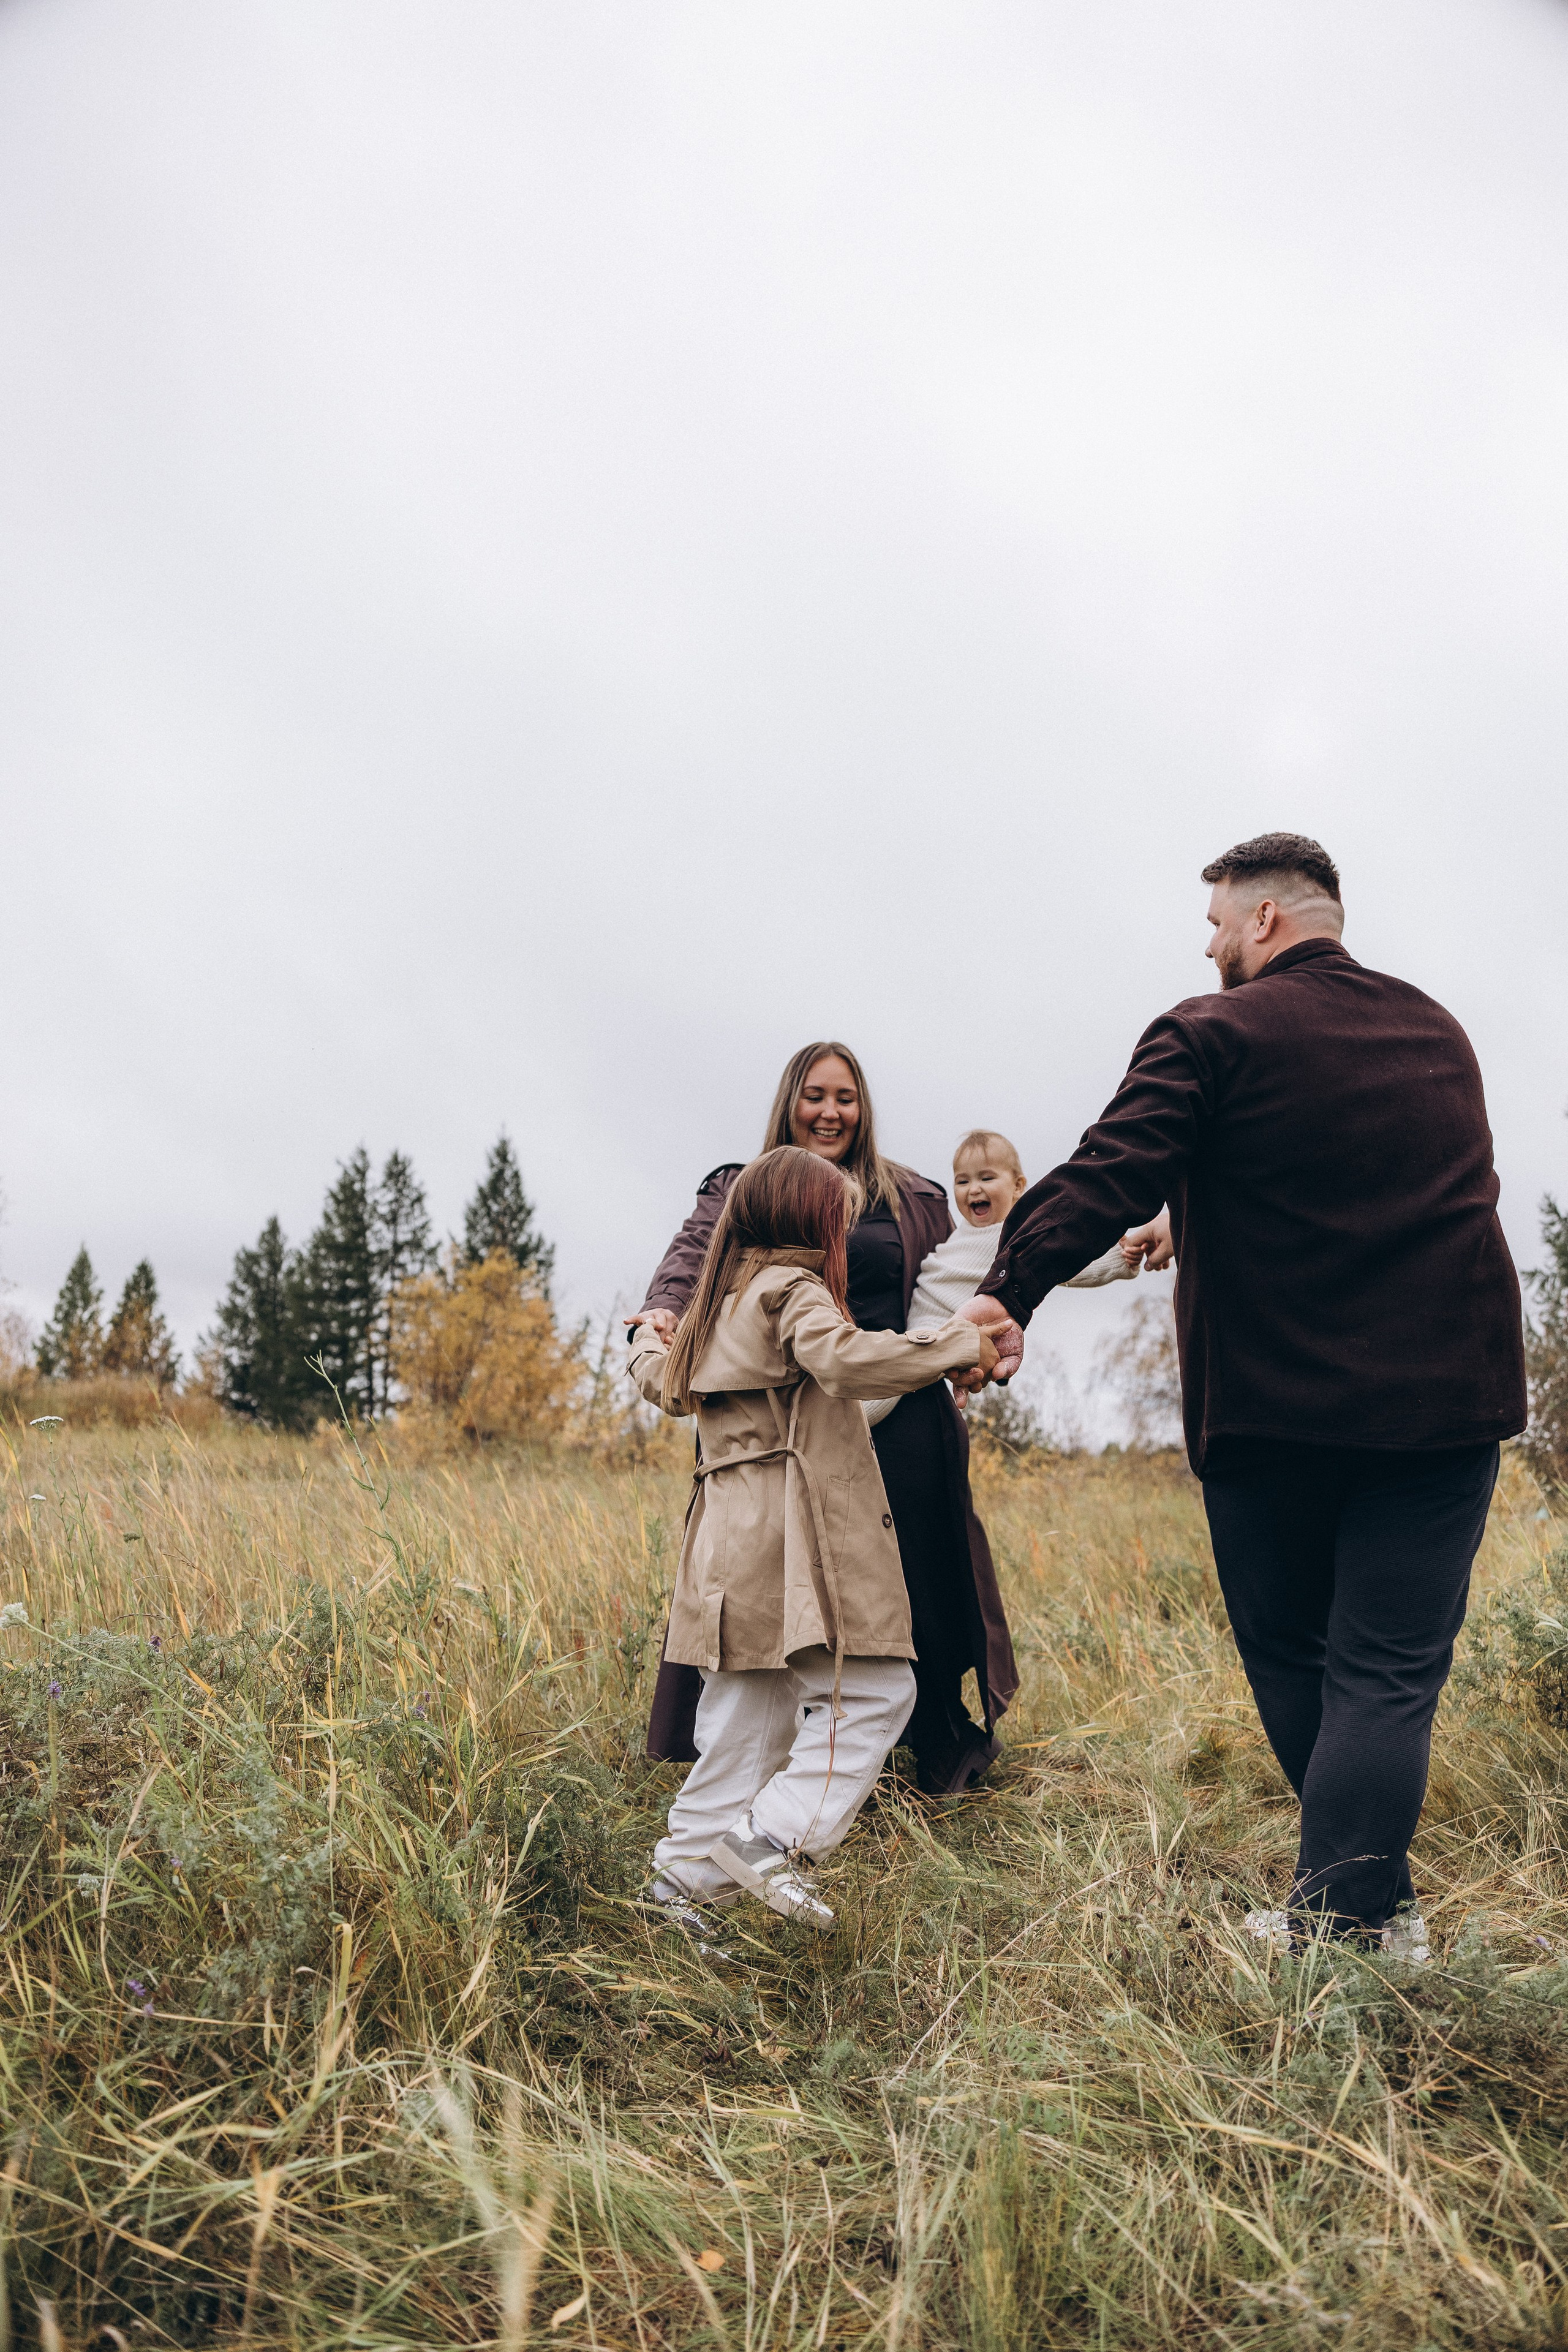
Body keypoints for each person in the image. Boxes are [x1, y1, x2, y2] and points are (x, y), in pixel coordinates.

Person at [959, 832, 1526, 1950]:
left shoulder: (1210, 1031)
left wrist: (1007, 1290)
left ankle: (1347, 1925)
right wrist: (1205, 1208)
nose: (1209, 943)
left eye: (1217, 922)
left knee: (1300, 1656)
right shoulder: (1436, 1030)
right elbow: (1360, 1175)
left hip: (1280, 1412)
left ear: (1265, 920)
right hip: (1444, 1404)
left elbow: (1109, 1169)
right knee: (1390, 1674)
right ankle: (1367, 1906)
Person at [630, 1042, 1019, 1796]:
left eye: (845, 1097)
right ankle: (769, 1763)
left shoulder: (911, 1195)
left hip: (896, 1404)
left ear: (862, 1107)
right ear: (789, 1101)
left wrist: (982, 1339)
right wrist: (663, 1311)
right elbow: (691, 1258)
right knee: (773, 1582)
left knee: (912, 1582)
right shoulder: (746, 1189)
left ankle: (932, 1746)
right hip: (783, 1412)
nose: (831, 1111)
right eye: (815, 1095)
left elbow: (969, 1270)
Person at [628, 1146, 994, 1938]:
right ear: (810, 1219)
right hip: (795, 1531)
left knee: (743, 1726)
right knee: (877, 1693)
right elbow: (846, 1357)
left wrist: (643, 1339)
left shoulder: (717, 1303)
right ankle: (774, 1838)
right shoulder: (791, 1290)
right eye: (840, 1216)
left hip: (725, 1538)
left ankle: (678, 1891)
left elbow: (661, 1383)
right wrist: (959, 1345)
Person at [865, 1128, 1136, 1427]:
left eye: (987, 1178)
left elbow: (1066, 1261)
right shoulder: (961, 1233)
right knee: (879, 1375)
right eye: (962, 1181)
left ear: (1018, 1186)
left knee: (882, 1393)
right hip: (914, 1325)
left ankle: (847, 1425)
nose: (973, 1189)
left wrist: (1122, 1257)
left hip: (935, 1331)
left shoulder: (1015, 1238)